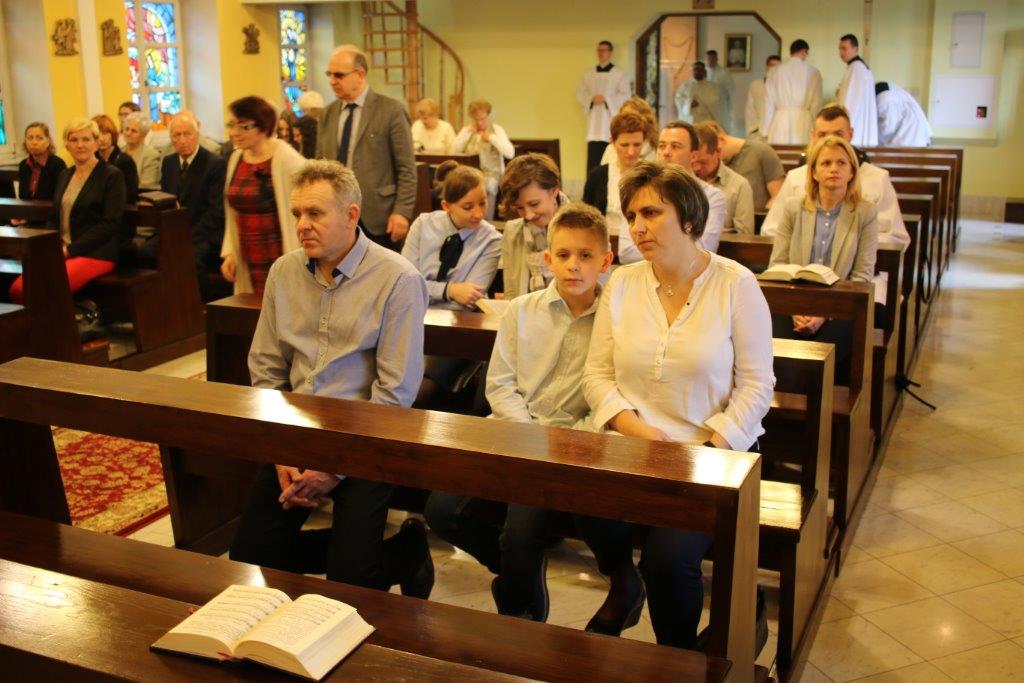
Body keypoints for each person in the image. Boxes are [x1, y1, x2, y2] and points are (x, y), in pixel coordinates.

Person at [579, 161, 773, 647]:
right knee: (584, 506)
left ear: (689, 218)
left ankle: (677, 655)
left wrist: (710, 450)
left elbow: (757, 385)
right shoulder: (623, 283)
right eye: (631, 216)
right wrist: (639, 432)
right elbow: (597, 376)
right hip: (635, 446)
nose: (637, 227)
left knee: (667, 559)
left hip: (713, 455)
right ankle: (624, 586)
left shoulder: (735, 284)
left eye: (651, 213)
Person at [230, 159, 433, 599]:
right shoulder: (285, 272)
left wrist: (334, 467)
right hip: (296, 432)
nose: (302, 225)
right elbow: (265, 368)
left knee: (350, 582)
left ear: (351, 214)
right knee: (249, 557)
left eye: (315, 213)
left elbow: (395, 393)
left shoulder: (397, 278)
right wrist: (281, 452)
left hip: (365, 439)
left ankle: (407, 552)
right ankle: (377, 555)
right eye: (297, 213)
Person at [425, 202, 614, 622]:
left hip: (567, 448)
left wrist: (563, 443)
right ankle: (518, 576)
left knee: (521, 534)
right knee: (441, 511)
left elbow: (607, 398)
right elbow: (500, 384)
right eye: (563, 255)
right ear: (548, 260)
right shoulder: (522, 310)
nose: (573, 265)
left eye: (586, 255)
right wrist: (528, 436)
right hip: (510, 433)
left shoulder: (614, 321)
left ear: (605, 261)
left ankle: (521, 615)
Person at [768, 135, 879, 381]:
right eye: (826, 163)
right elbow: (778, 264)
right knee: (777, 353)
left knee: (816, 361)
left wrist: (824, 314)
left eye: (841, 163)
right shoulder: (793, 207)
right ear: (814, 172)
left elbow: (862, 276)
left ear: (852, 171)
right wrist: (795, 309)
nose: (834, 169)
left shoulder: (865, 212)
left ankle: (815, 403)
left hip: (842, 307)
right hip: (794, 301)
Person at [9, 118, 126, 304]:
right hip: (62, 250)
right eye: (74, 140)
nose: (80, 145)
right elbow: (55, 216)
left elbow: (109, 224)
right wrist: (50, 245)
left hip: (95, 253)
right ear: (66, 144)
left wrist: (69, 250)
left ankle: (59, 322)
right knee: (17, 289)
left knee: (41, 289)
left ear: (96, 143)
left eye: (86, 139)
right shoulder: (65, 175)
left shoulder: (111, 175)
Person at [763, 104, 909, 251]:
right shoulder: (795, 177)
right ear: (813, 136)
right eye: (822, 135)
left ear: (850, 134)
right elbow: (771, 229)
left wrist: (848, 247)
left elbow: (894, 236)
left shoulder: (878, 178)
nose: (830, 141)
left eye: (838, 134)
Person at [316, 44, 416, 250]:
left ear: (360, 74)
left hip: (379, 216)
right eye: (329, 74)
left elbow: (406, 167)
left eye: (339, 75)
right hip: (335, 214)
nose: (332, 81)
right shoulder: (327, 113)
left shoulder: (390, 110)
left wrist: (402, 212)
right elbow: (319, 163)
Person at [221, 96, 306, 296]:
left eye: (244, 126)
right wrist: (231, 252)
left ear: (263, 126)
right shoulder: (236, 158)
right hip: (247, 253)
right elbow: (232, 211)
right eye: (232, 125)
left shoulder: (287, 159)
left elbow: (306, 209)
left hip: (278, 251)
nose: (235, 132)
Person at [617, 121, 726, 263]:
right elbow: (626, 253)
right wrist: (669, 249)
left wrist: (655, 249)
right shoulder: (639, 190)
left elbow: (703, 249)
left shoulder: (712, 196)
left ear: (693, 156)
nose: (666, 152)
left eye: (675, 146)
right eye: (662, 146)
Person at [402, 164, 501, 311]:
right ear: (446, 206)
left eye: (482, 203)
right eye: (467, 207)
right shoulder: (423, 224)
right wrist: (450, 290)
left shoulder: (491, 240)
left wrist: (425, 291)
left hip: (461, 319)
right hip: (413, 311)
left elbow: (470, 300)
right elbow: (406, 284)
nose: (478, 214)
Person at [157, 112, 227, 301]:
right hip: (176, 230)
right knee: (144, 252)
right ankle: (166, 303)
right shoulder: (169, 162)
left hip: (205, 233)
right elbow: (167, 201)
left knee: (187, 256)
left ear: (197, 135)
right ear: (171, 138)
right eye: (176, 135)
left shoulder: (214, 164)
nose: (182, 140)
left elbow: (216, 212)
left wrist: (187, 236)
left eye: (187, 134)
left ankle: (201, 306)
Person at [498, 153, 569, 301]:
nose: (528, 215)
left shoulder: (584, 229)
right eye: (519, 208)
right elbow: (510, 294)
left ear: (554, 191)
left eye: (534, 204)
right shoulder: (512, 231)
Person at [583, 112, 647, 251]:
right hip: (604, 246)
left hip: (641, 246)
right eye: (624, 145)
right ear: (612, 142)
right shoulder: (597, 176)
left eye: (637, 144)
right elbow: (586, 219)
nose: (631, 152)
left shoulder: (652, 176)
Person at [452, 99, 514, 221]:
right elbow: (453, 150)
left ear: (488, 116)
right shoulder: (468, 130)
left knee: (488, 186)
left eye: (483, 119)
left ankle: (485, 221)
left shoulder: (496, 130)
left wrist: (491, 138)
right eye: (476, 119)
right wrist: (467, 134)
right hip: (470, 175)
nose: (479, 122)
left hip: (492, 175)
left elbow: (510, 153)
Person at [691, 123, 755, 235]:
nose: (697, 167)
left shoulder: (739, 185)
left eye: (703, 162)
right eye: (693, 161)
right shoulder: (684, 180)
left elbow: (745, 236)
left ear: (718, 152)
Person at [578, 40, 631, 174]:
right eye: (599, 50)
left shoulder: (619, 74)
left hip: (609, 122)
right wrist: (591, 99)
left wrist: (607, 99)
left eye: (604, 50)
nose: (600, 53)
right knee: (593, 160)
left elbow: (626, 95)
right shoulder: (589, 74)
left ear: (610, 52)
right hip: (594, 125)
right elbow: (581, 94)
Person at [713, 122, 786, 211]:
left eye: (717, 151)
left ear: (721, 139)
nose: (716, 158)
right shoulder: (716, 163)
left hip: (759, 215)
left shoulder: (762, 152)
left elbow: (778, 196)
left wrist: (764, 217)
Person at [763, 39, 822, 145]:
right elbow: (816, 103)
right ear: (804, 51)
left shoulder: (774, 71)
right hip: (803, 121)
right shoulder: (813, 72)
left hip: (780, 121)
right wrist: (817, 127)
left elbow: (768, 102)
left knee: (780, 152)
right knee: (802, 152)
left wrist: (765, 130)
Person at [12, 122, 67, 226]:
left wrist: (30, 219)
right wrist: (21, 216)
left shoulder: (57, 164)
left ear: (48, 141)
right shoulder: (23, 165)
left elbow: (58, 201)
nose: (34, 142)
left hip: (50, 220)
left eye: (39, 138)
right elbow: (23, 197)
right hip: (29, 218)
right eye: (30, 138)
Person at [836, 34, 878, 147]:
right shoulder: (857, 67)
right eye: (840, 49)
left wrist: (842, 127)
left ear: (855, 49)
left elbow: (851, 103)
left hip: (855, 125)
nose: (841, 53)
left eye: (844, 48)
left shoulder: (856, 68)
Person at [92, 114, 139, 203]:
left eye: (105, 133)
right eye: (97, 135)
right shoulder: (91, 160)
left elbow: (129, 196)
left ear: (113, 134)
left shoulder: (124, 161)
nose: (101, 139)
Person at [599, 97, 659, 166]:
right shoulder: (611, 149)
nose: (626, 121)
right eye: (623, 117)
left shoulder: (655, 150)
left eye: (631, 117)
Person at [876, 82, 932, 147]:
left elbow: (889, 126)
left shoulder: (885, 98)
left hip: (910, 136)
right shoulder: (890, 91)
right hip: (914, 132)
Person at [121, 112, 162, 190]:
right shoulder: (119, 152)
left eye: (133, 131)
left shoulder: (151, 155)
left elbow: (146, 186)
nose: (128, 133)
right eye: (127, 129)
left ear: (144, 135)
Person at [745, 54, 781, 141]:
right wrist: (754, 129)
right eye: (772, 65)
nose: (774, 68)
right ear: (766, 66)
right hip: (759, 128)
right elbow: (750, 109)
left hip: (778, 129)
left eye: (777, 66)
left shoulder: (783, 86)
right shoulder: (756, 85)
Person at [675, 62, 723, 126]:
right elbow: (679, 99)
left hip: (705, 118)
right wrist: (689, 103)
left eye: (700, 69)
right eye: (695, 69)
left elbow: (715, 101)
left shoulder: (711, 86)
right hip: (689, 119)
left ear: (704, 71)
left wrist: (700, 103)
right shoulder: (685, 85)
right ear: (693, 71)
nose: (697, 71)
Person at [705, 50, 734, 133]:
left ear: (717, 59)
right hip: (706, 105)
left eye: (713, 58)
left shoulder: (724, 72)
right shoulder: (703, 72)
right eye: (709, 59)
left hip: (720, 105)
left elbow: (730, 89)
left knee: (720, 127)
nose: (711, 61)